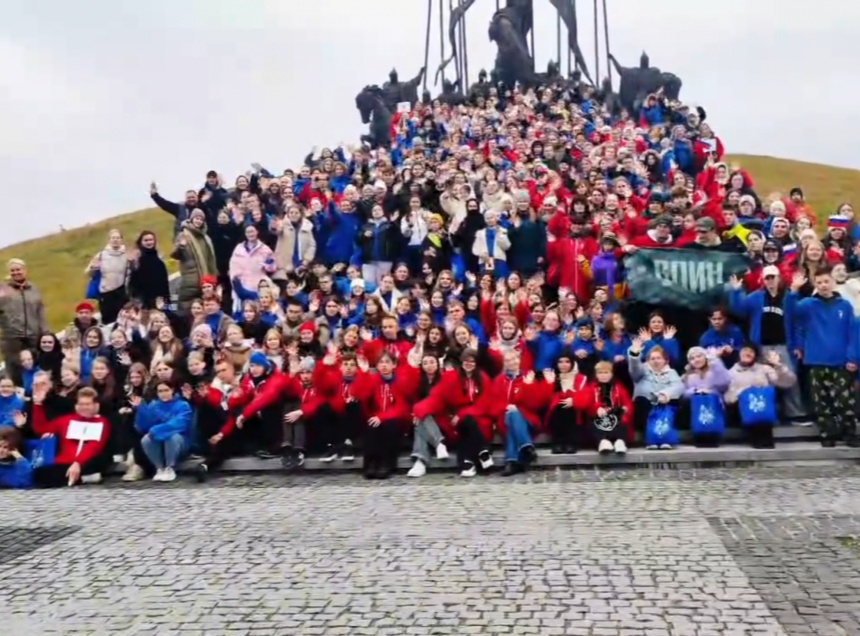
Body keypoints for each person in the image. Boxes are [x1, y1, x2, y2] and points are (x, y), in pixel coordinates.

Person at [788, 267, 860, 447]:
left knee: (845, 400)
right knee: (821, 402)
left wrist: (852, 358)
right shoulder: (808, 304)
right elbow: (791, 312)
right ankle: (827, 434)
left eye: (826, 281)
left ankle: (849, 433)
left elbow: (853, 333)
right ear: (815, 284)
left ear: (833, 282)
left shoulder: (845, 305)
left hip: (840, 361)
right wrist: (794, 291)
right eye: (819, 282)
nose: (823, 285)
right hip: (816, 360)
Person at [26, 386, 111, 487]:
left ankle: (79, 477)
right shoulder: (66, 420)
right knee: (39, 474)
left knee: (98, 460)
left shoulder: (101, 422)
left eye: (88, 404)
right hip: (66, 462)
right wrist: (38, 404)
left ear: (95, 405)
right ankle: (82, 478)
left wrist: (77, 463)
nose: (84, 407)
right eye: (81, 404)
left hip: (87, 461)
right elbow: (41, 429)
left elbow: (94, 446)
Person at [0, 259, 48, 384]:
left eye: (18, 269)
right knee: (15, 371)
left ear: (25, 271)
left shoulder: (34, 289)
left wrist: (45, 332)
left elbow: (40, 311)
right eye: (12, 270)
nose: (15, 272)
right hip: (12, 338)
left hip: (33, 336)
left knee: (35, 367)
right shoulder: (3, 289)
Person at [134, 380, 193, 482]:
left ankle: (170, 468)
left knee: (171, 437)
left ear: (172, 390)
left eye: (166, 390)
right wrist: (141, 409)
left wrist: (156, 430)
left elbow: (179, 424)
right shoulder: (154, 405)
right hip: (159, 442)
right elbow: (142, 427)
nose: (163, 393)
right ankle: (160, 468)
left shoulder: (183, 405)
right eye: (160, 391)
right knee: (146, 439)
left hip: (180, 442)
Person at [86, 229, 131, 324]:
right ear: (109, 240)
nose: (115, 240)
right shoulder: (101, 255)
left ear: (121, 240)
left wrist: (133, 262)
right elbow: (89, 273)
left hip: (121, 293)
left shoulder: (126, 255)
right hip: (105, 293)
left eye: (118, 238)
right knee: (108, 322)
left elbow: (132, 272)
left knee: (123, 321)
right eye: (113, 238)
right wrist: (93, 268)